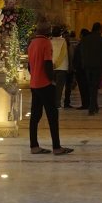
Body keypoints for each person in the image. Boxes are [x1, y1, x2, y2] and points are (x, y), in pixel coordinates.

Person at [25, 24, 73, 156]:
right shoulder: (46, 43)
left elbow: (29, 66)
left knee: (35, 116)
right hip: (45, 84)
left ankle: (34, 146)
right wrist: (51, 80)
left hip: (34, 84)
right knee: (52, 116)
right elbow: (47, 63)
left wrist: (35, 75)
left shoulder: (32, 43)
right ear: (47, 32)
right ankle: (57, 147)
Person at [76, 22, 102, 115]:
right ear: (99, 29)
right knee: (94, 87)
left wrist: (84, 63)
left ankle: (95, 106)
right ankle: (92, 108)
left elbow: (81, 52)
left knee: (91, 86)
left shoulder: (85, 40)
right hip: (97, 66)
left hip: (87, 66)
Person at [51, 26, 73, 109]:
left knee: (52, 86)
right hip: (62, 67)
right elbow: (63, 54)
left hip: (52, 67)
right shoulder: (63, 41)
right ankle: (57, 103)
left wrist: (52, 64)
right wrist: (57, 64)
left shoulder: (49, 41)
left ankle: (52, 102)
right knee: (59, 88)